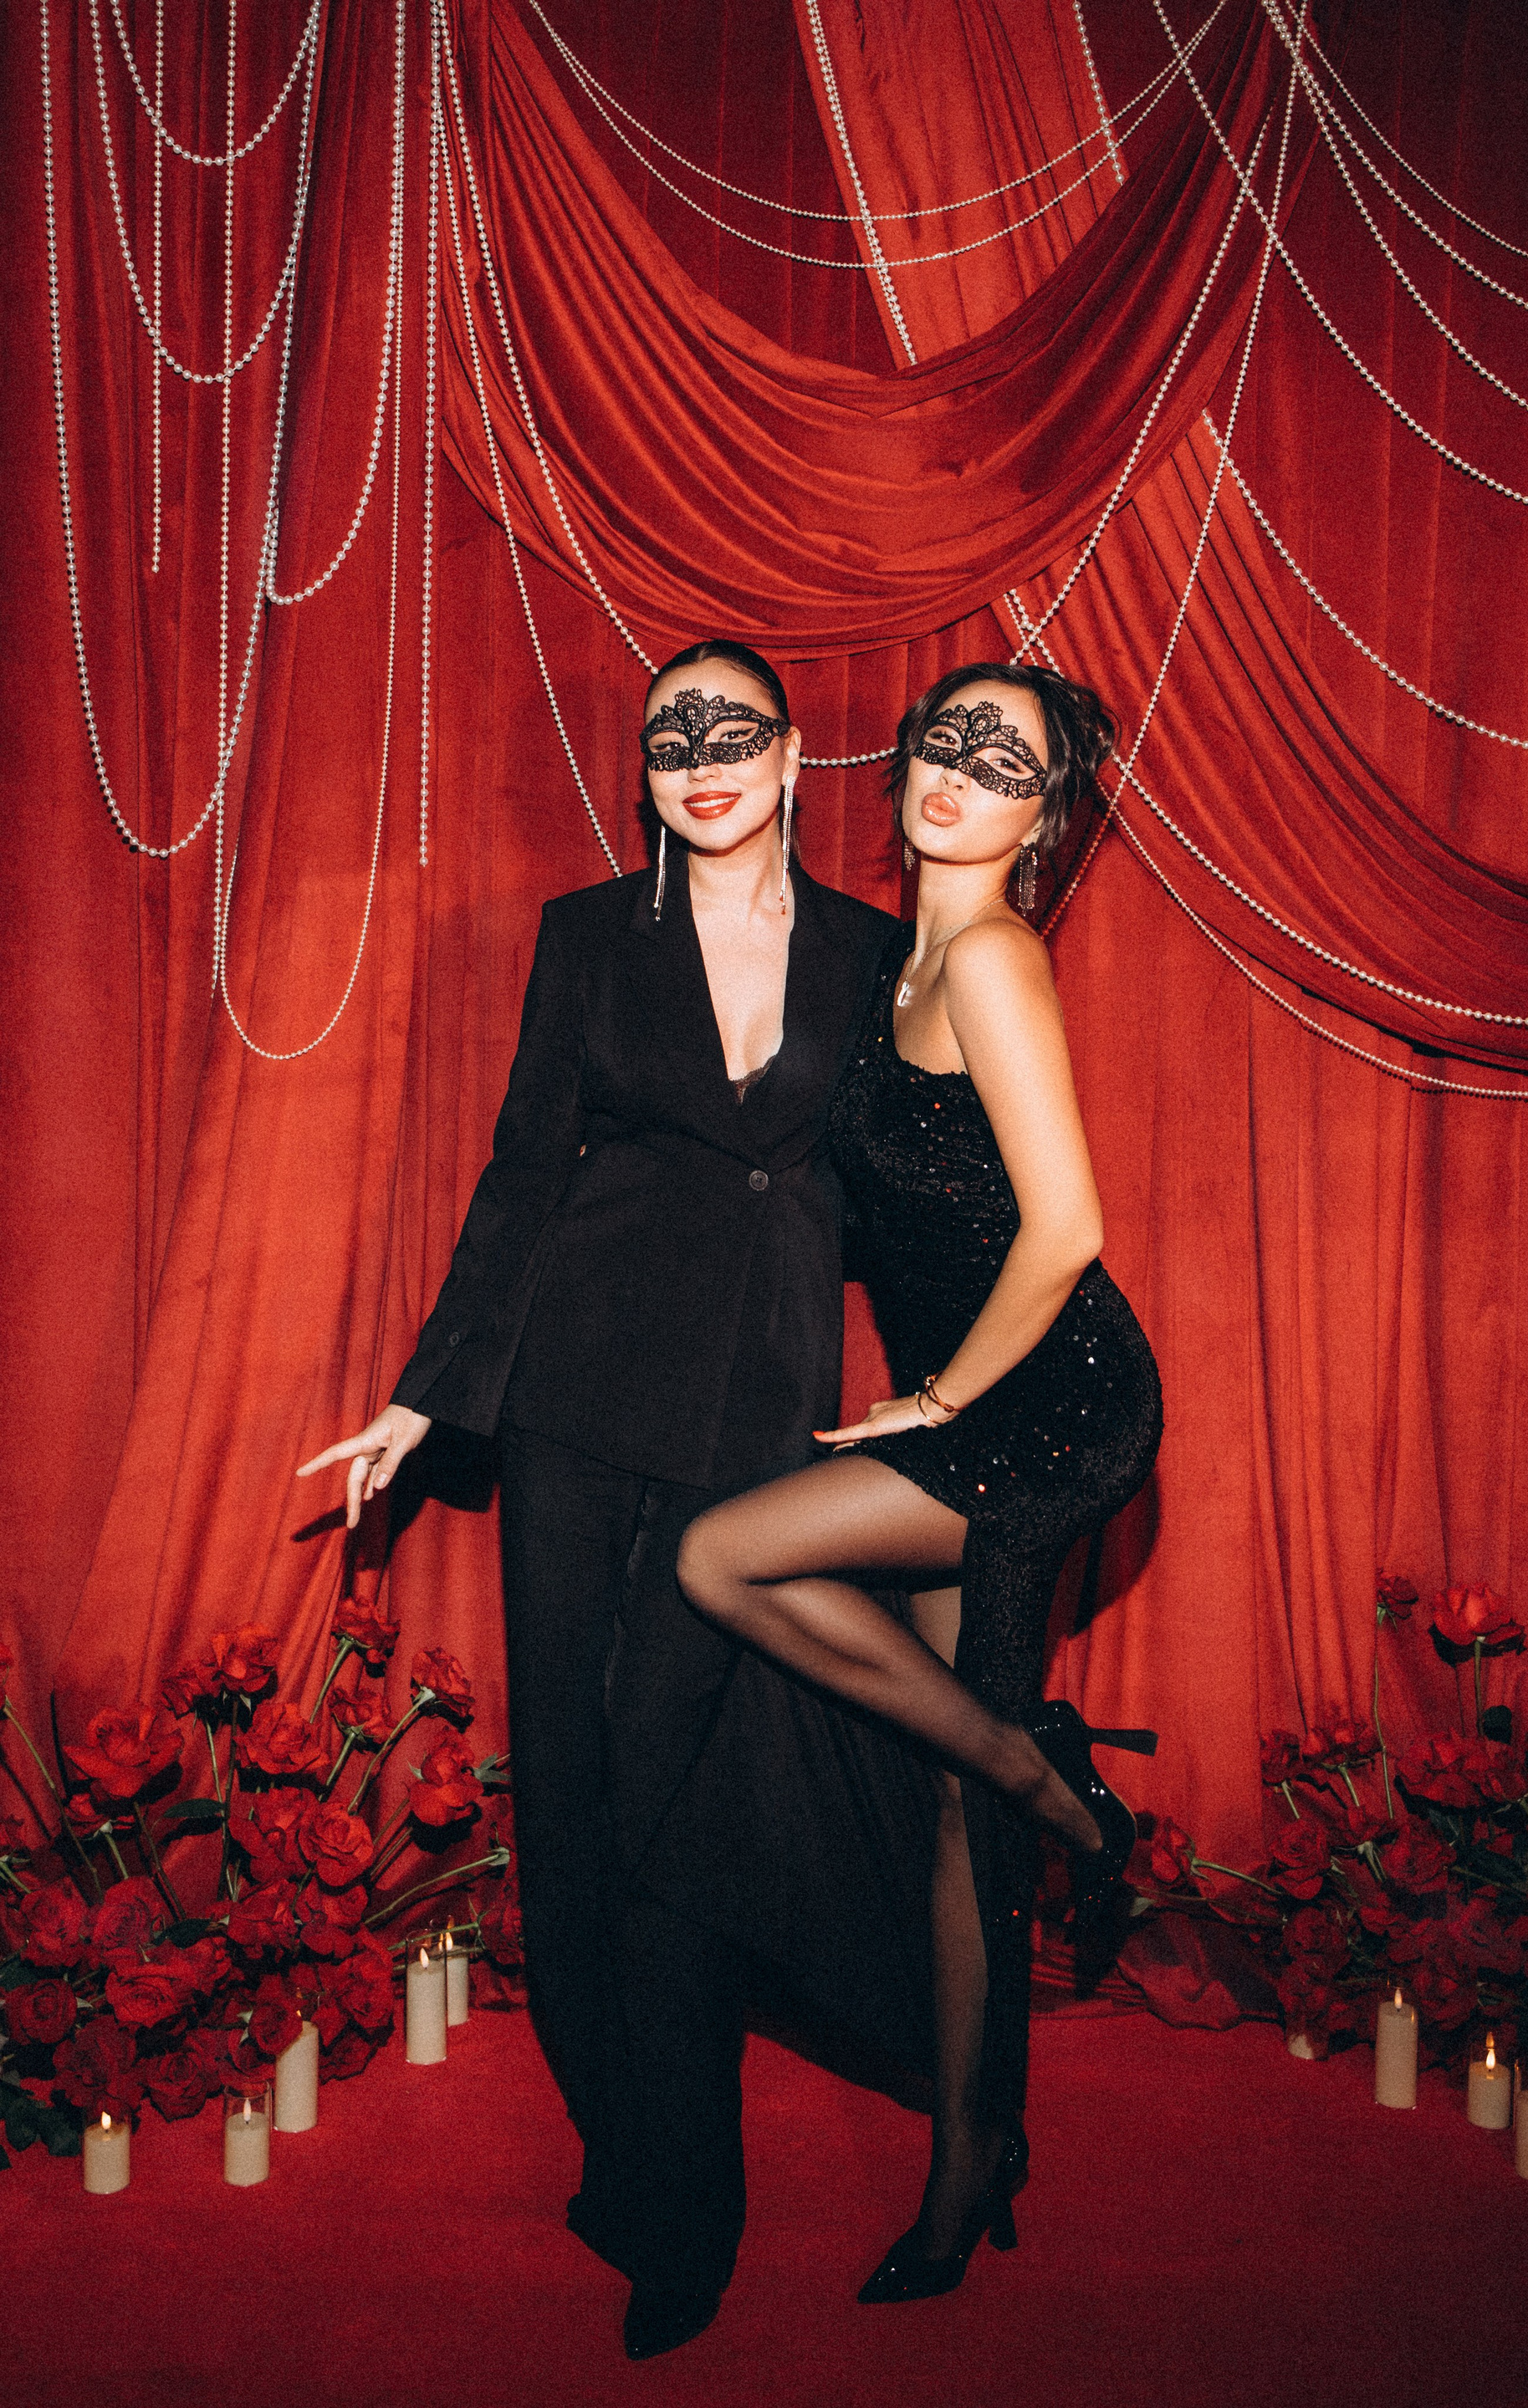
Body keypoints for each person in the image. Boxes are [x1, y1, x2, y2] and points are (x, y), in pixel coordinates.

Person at [298, 640, 935, 2360]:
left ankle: (688, 2198)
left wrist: (954, 1390)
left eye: (735, 733)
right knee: (574, 1788)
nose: (703, 759)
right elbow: (523, 1169)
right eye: (672, 738)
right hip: (576, 1390)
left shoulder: (876, 954)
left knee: (675, 1778)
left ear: (793, 760)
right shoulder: (587, 937)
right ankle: (635, 2163)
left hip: (758, 1412)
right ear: (644, 773)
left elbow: (912, 1195)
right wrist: (424, 1393)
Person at [676, 660, 1164, 2303]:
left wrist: (939, 1398)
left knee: (722, 1559)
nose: (961, 774)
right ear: (895, 772)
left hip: (1053, 1406)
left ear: (1047, 818)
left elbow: (1068, 1227)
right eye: (945, 742)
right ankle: (974, 2150)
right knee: (965, 1797)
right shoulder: (899, 962)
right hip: (980, 1403)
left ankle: (1044, 1783)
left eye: (1004, 763)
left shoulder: (997, 957)